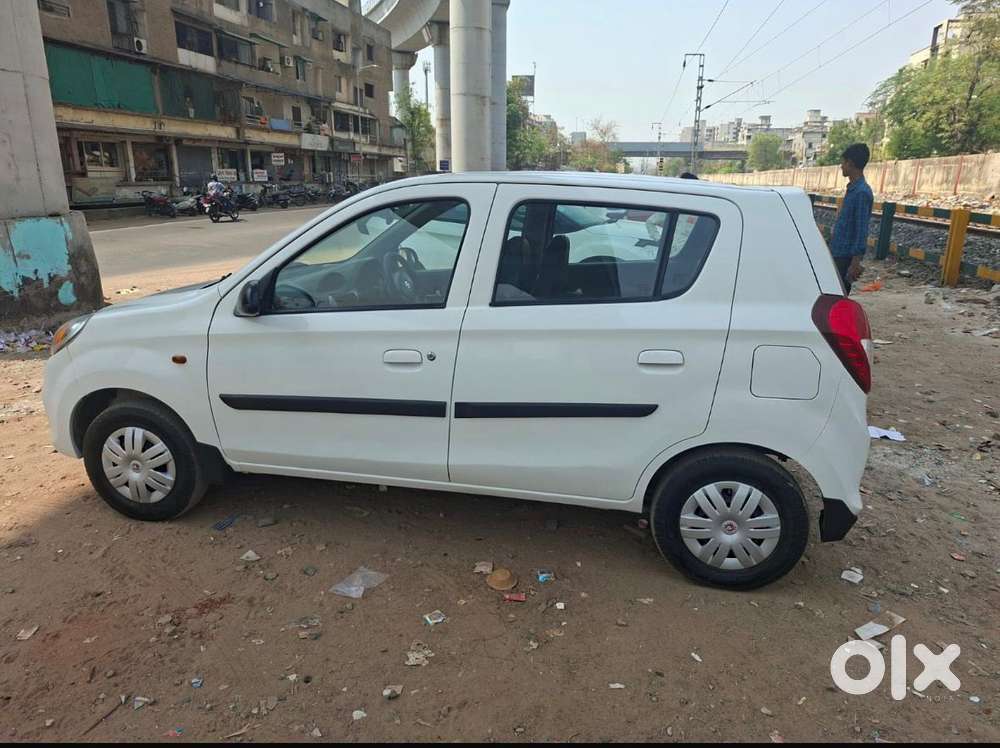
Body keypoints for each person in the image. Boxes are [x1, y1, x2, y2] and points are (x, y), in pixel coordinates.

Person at [829, 143, 874, 294]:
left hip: (845, 257)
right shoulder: (853, 189)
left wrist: (855, 264)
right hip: (838, 252)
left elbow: (861, 230)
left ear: (851, 163)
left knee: (837, 297)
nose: (841, 166)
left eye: (843, 162)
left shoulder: (861, 193)